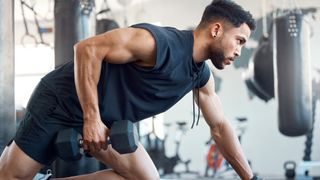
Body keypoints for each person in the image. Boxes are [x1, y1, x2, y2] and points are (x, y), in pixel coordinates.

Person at [0, 0, 257, 179]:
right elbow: (86, 49)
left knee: (145, 177)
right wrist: (91, 118)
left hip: (105, 121)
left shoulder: (200, 76)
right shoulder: (159, 43)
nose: (239, 51)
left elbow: (220, 127)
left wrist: (250, 178)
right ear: (216, 29)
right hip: (60, 100)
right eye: (239, 41)